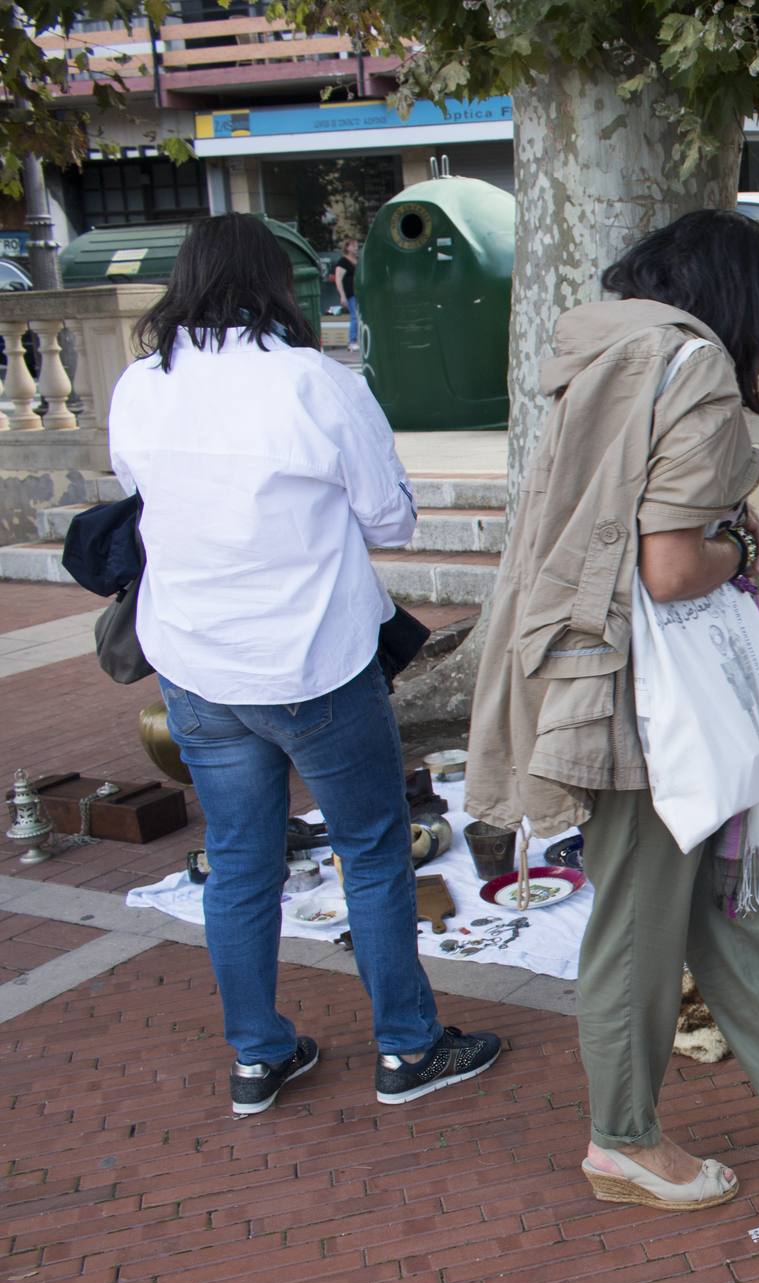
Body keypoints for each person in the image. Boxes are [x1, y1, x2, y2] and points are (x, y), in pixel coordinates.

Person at [466, 208, 759, 1212]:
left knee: (712, 906)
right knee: (636, 924)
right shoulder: (693, 366)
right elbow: (669, 570)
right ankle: (622, 1139)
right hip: (643, 700)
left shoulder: (607, 351)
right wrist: (743, 551)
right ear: (737, 298)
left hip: (595, 671)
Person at [107, 214, 502, 1117]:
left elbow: (138, 490)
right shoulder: (313, 382)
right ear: (276, 286)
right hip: (311, 664)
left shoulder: (141, 384)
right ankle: (406, 1047)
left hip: (198, 664)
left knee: (240, 862)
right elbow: (390, 520)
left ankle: (258, 1057)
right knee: (370, 852)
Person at [333, 238, 359, 348]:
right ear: (347, 247)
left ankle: (358, 340)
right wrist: (342, 296)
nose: (356, 248)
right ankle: (352, 341)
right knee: (355, 316)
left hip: (359, 293)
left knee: (359, 317)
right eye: (353, 246)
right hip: (350, 293)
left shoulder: (357, 260)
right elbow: (338, 279)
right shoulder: (343, 262)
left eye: (357, 246)